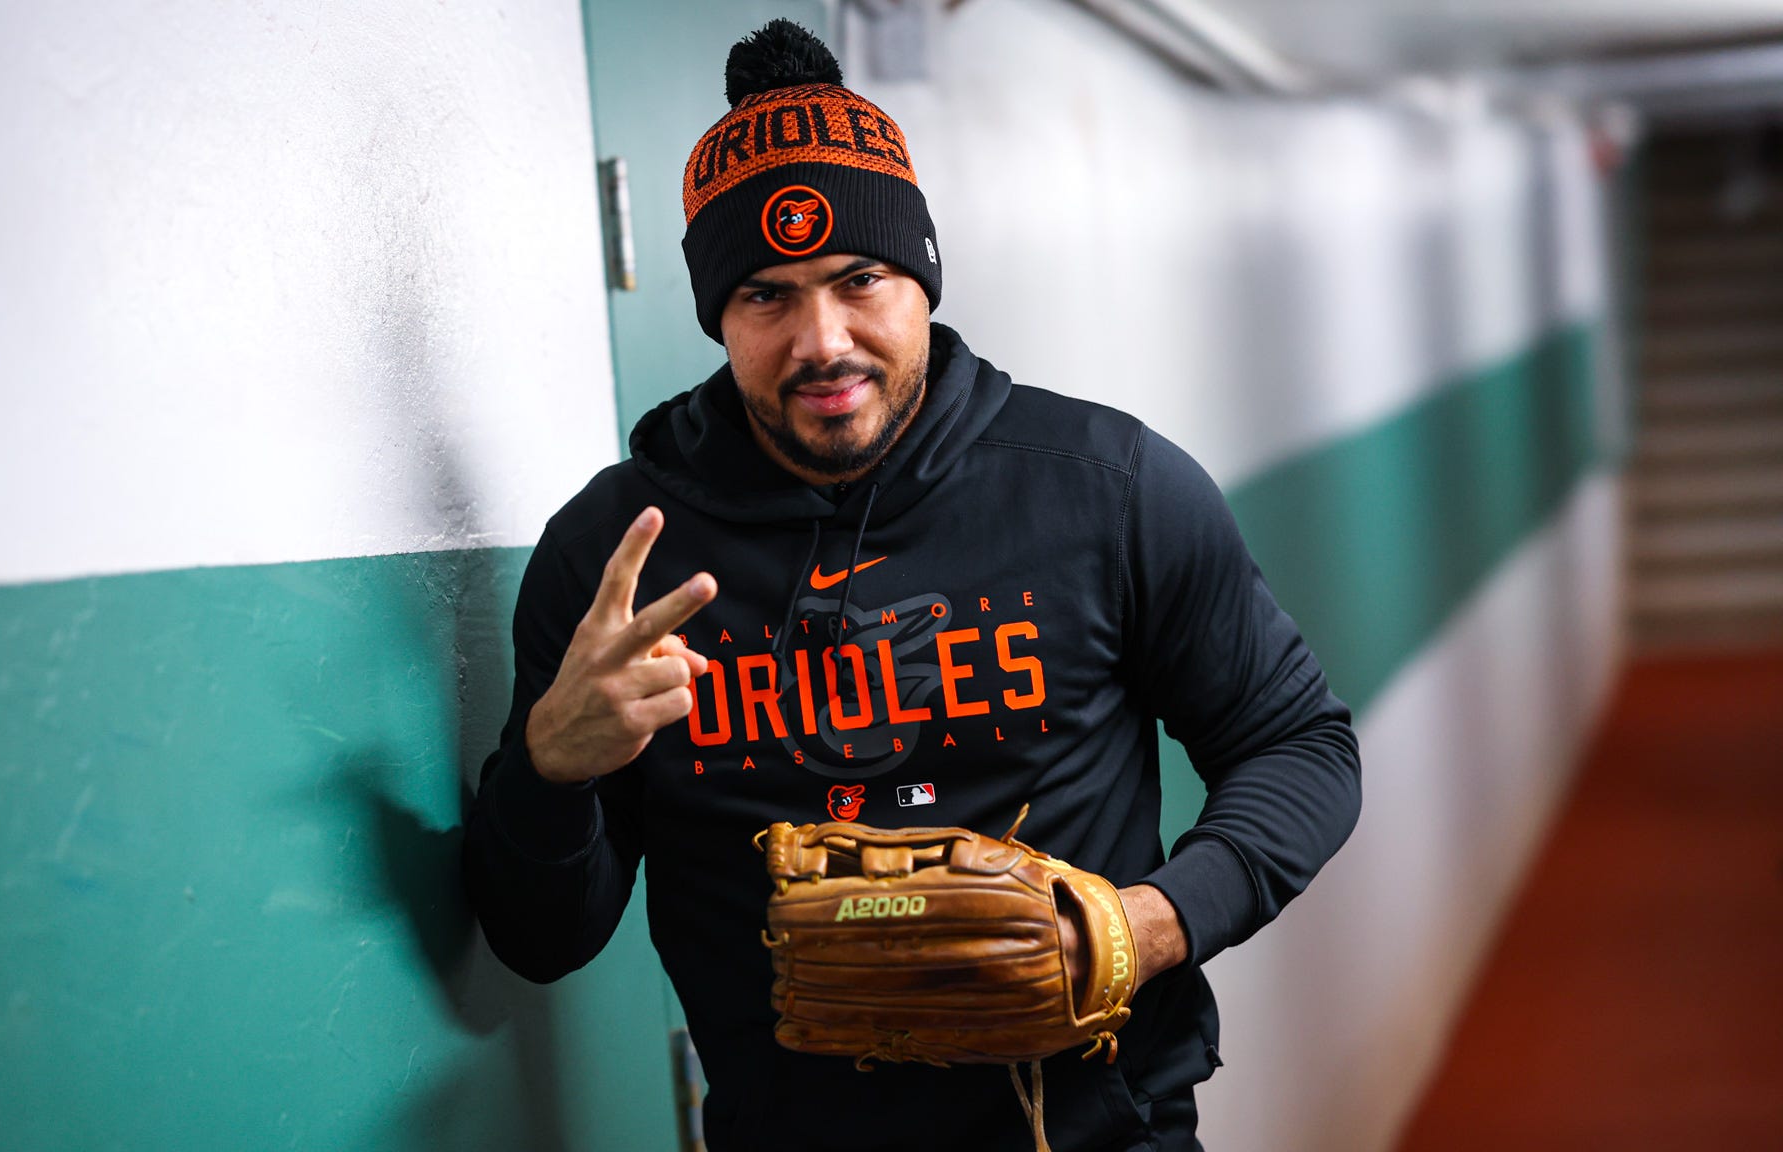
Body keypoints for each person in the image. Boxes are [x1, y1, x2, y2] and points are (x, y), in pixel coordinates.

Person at [464, 20, 1360, 1152]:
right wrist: (551, 767)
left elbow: (1299, 746)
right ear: (715, 316)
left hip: (1096, 1128)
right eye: (765, 298)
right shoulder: (616, 558)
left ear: (921, 278)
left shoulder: (1108, 488)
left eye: (860, 281)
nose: (820, 340)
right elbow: (539, 938)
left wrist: (1150, 924)